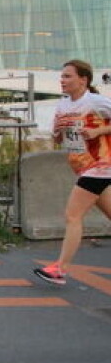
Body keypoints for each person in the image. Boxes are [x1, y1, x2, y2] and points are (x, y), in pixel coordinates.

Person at [33, 59, 111, 286]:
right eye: (62, 76)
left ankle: (60, 269)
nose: (62, 80)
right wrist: (57, 133)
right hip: (81, 167)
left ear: (83, 80)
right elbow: (58, 138)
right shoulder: (62, 105)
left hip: (100, 166)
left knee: (72, 215)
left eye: (68, 76)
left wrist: (99, 130)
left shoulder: (95, 102)